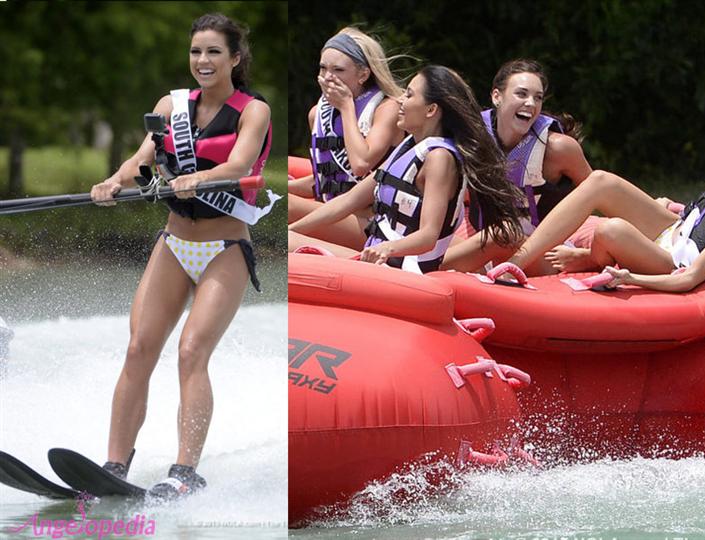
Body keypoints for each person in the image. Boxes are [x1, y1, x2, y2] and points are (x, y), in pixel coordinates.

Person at [90, 13, 271, 498]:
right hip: (174, 242)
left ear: (235, 58)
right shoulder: (170, 105)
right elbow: (142, 158)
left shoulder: (253, 110)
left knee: (191, 352)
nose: (203, 61)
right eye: (196, 52)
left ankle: (186, 471)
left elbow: (240, 163)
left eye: (214, 52)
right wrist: (114, 181)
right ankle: (114, 464)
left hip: (225, 247)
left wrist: (199, 178)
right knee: (138, 348)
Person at [507, 99, 705, 291]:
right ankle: (517, 261)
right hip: (678, 231)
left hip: (671, 262)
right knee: (601, 181)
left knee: (609, 230)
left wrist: (629, 278)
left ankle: (587, 258)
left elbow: (689, 277)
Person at [289, 65, 524, 273]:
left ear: (431, 110)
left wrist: (387, 249)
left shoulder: (440, 158)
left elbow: (428, 236)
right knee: (287, 238)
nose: (400, 100)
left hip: (404, 271)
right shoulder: (409, 145)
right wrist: (295, 229)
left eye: (409, 95)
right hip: (377, 260)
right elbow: (350, 200)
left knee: (287, 244)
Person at [440, 59, 593, 272]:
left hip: (539, 252)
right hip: (483, 238)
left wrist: (586, 254)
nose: (531, 103)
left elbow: (595, 194)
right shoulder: (471, 141)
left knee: (500, 236)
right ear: (496, 97)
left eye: (537, 97)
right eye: (521, 94)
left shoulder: (558, 149)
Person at [287, 27, 405, 250]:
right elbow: (323, 181)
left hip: (374, 223)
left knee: (288, 207)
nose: (327, 77)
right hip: (331, 213)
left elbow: (360, 165)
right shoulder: (317, 114)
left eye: (338, 70)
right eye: (323, 68)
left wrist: (346, 108)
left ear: (363, 74)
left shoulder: (386, 109)